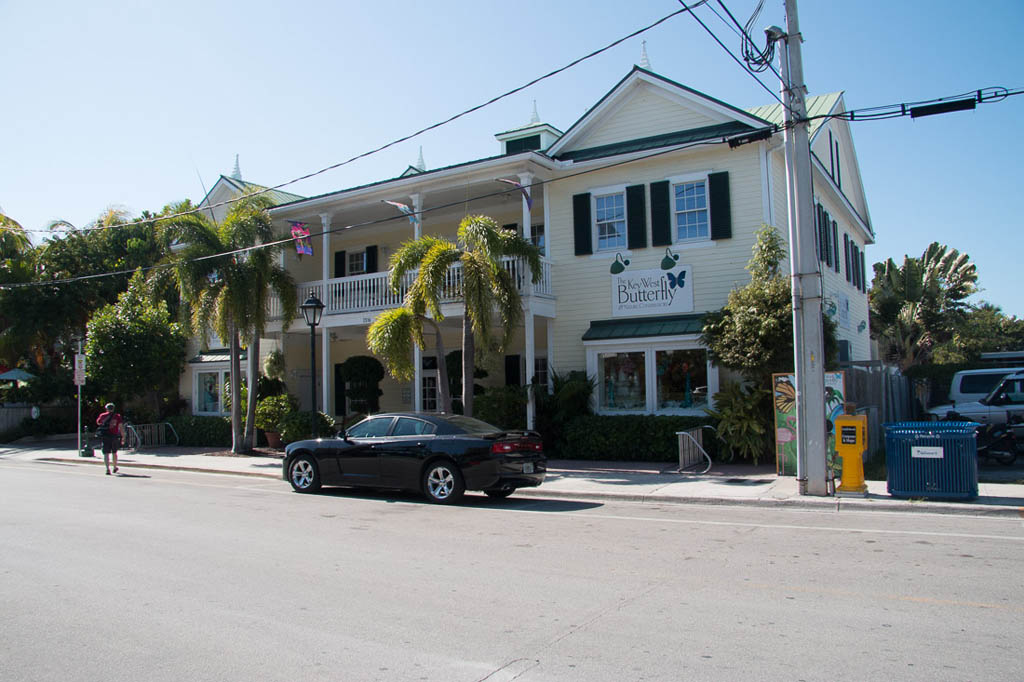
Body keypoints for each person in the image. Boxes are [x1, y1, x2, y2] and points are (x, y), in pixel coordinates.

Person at [96, 402, 124, 475]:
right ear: (113, 409)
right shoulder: (117, 416)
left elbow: (98, 423)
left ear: (106, 409)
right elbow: (120, 427)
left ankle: (107, 469)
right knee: (114, 452)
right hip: (114, 435)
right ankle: (114, 467)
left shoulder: (102, 415)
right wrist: (123, 436)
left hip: (105, 436)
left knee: (106, 453)